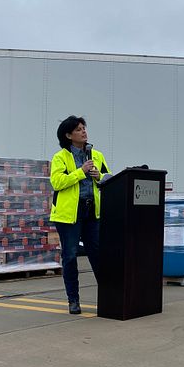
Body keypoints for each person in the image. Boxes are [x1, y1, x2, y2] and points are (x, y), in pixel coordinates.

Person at [49, 116, 110, 314]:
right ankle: (73, 300)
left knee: (98, 254)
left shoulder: (97, 155)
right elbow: (57, 182)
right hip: (69, 215)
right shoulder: (61, 157)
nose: (84, 132)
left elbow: (110, 178)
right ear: (68, 135)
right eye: (78, 129)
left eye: (84, 128)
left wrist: (99, 177)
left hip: (92, 211)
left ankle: (110, 296)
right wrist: (81, 172)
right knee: (70, 256)